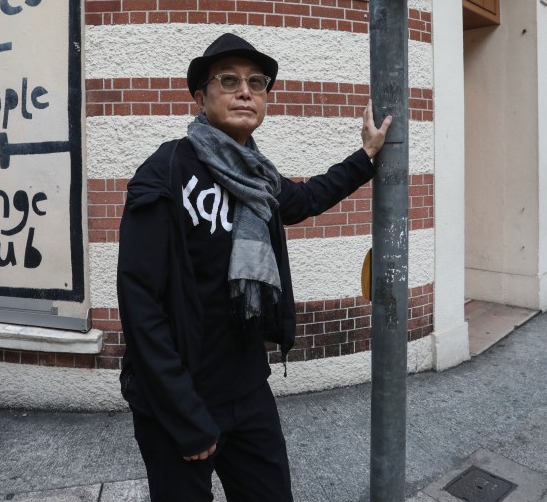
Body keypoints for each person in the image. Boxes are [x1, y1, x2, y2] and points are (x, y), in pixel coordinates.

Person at [116, 32, 392, 501]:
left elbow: (304, 199)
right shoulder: (165, 171)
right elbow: (140, 304)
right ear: (200, 98)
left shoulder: (258, 177)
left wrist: (365, 156)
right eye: (229, 81)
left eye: (256, 82)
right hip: (177, 398)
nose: (245, 91)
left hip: (246, 389)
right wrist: (185, 415)